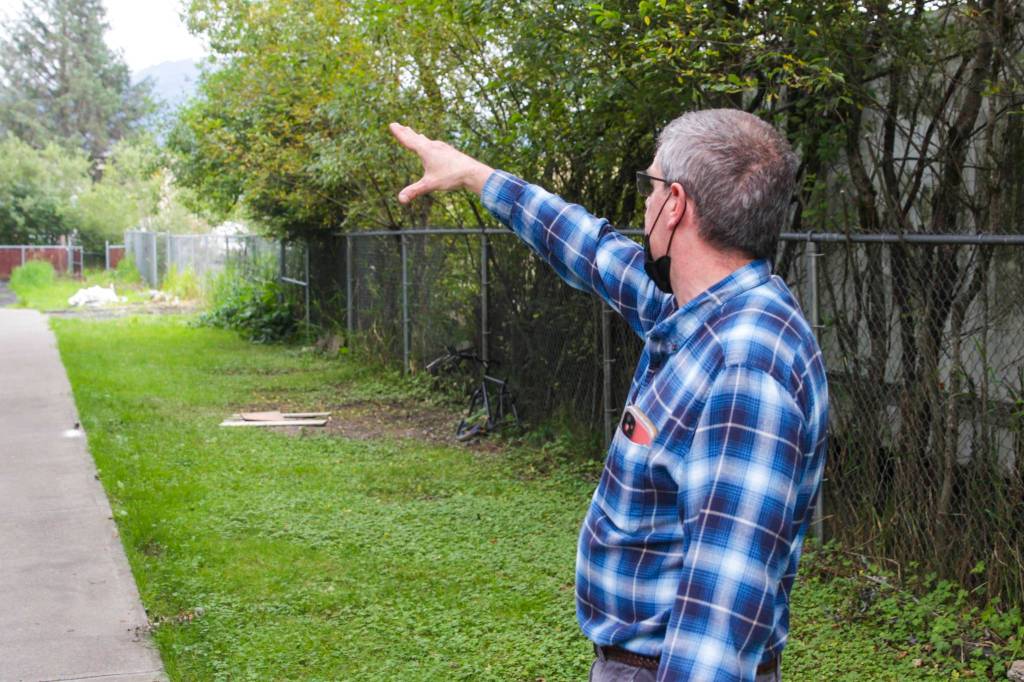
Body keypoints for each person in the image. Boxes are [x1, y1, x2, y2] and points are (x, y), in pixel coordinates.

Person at [389, 108, 828, 682]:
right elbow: (594, 251)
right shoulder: (695, 311)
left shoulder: (746, 369)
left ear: (675, 205)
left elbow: (717, 633)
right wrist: (474, 175)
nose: (641, 207)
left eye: (649, 187)